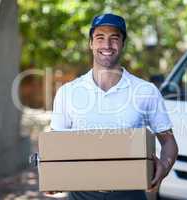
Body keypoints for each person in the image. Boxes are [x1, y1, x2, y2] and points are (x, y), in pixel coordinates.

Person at [49, 13, 178, 200]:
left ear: (123, 44)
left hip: (130, 194)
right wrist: (52, 175)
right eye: (100, 37)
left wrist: (164, 167)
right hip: (81, 194)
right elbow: (55, 143)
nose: (107, 45)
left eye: (114, 38)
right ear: (91, 43)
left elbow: (168, 141)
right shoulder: (68, 92)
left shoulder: (145, 91)